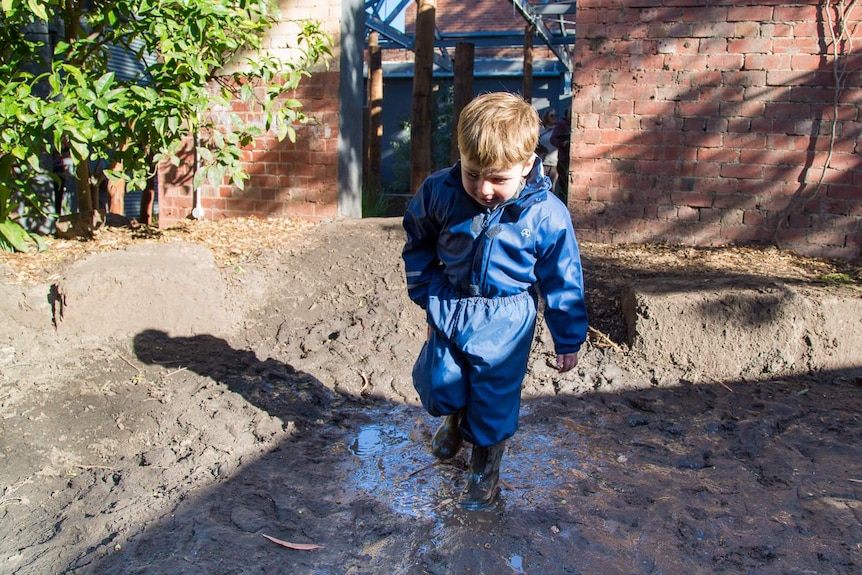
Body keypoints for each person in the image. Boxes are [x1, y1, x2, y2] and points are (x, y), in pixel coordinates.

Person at [402, 92, 588, 510]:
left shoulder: (546, 214)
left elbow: (563, 279)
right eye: (473, 174)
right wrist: (428, 294)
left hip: (506, 318)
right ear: (461, 157)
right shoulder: (440, 192)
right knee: (438, 386)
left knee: (494, 402)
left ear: (527, 164)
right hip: (451, 304)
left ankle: (484, 475)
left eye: (498, 179)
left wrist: (568, 337)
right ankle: (453, 417)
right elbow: (418, 241)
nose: (484, 189)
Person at [550, 106, 571, 202]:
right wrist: (563, 144)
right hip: (563, 159)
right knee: (563, 185)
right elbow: (553, 139)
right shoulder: (562, 124)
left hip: (572, 159)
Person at [538, 108, 560, 198]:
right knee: (540, 186)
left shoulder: (558, 131)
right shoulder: (541, 131)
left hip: (554, 163)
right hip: (542, 162)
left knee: (552, 188)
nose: (554, 118)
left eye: (555, 116)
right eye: (552, 116)